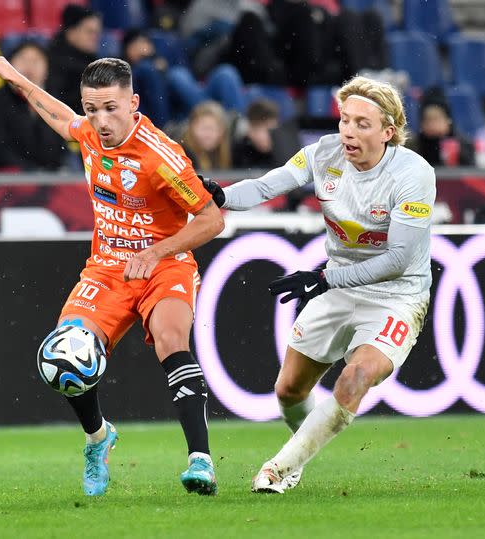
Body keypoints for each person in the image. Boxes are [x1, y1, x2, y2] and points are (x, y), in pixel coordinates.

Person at [0, 55, 225, 496]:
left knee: (172, 339)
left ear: (133, 103)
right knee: (61, 357)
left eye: (110, 108)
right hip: (108, 268)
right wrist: (16, 78)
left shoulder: (161, 156)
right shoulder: (91, 135)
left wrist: (157, 251)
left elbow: (211, 220)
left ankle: (200, 460)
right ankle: (98, 438)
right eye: (92, 108)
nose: (99, 120)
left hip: (164, 264)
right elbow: (61, 115)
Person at [203, 75, 435, 493]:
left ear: (389, 131)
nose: (348, 131)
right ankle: (296, 460)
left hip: (396, 296)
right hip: (337, 284)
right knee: (289, 390)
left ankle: (278, 468)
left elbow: (397, 259)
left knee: (355, 377)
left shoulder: (413, 174)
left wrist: (326, 277)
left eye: (362, 124)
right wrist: (220, 195)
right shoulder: (323, 153)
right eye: (344, 119)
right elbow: (266, 185)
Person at [0, 40, 67, 172]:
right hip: (9, 180)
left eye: (36, 61)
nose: (29, 66)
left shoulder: (54, 100)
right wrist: (29, 171)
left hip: (50, 179)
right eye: (23, 59)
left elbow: (61, 145)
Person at [46, 5, 102, 115]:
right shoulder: (53, 62)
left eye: (97, 32)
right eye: (89, 32)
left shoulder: (91, 60)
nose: (95, 37)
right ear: (71, 32)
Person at [406, 88, 475, 167]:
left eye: (436, 118)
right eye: (427, 119)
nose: (432, 124)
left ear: (448, 121)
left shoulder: (463, 145)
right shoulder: (412, 147)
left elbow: (471, 175)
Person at [180, 101, 232, 172]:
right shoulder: (182, 154)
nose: (208, 135)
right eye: (203, 128)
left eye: (213, 129)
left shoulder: (232, 153)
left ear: (222, 131)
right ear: (191, 128)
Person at [232, 98, 281, 170]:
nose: (262, 136)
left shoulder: (287, 152)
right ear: (248, 129)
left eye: (268, 129)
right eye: (256, 129)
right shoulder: (236, 152)